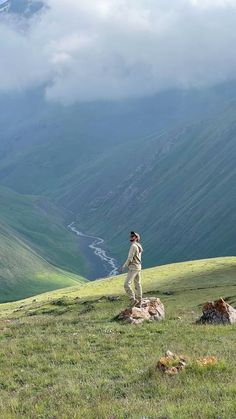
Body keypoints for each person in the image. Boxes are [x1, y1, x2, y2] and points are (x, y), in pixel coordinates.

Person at [119, 231, 143, 308]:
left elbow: (130, 258)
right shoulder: (139, 246)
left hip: (133, 268)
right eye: (131, 236)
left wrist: (124, 266)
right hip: (138, 267)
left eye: (133, 236)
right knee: (137, 284)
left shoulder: (133, 246)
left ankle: (133, 300)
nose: (131, 237)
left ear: (136, 238)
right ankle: (139, 302)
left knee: (126, 284)